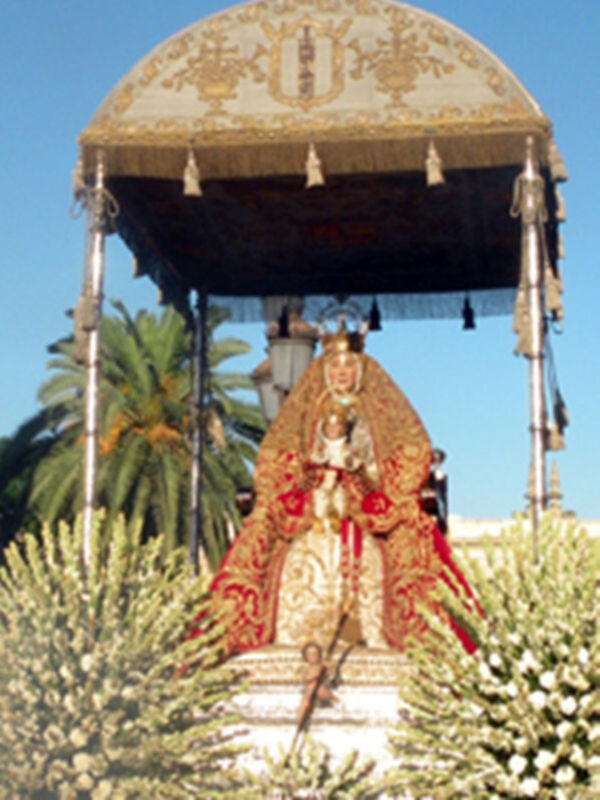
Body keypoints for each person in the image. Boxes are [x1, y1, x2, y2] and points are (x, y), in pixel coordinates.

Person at [196, 321, 475, 657]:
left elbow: (394, 458)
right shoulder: (307, 410)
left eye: (348, 365)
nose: (341, 372)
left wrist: (359, 474)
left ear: (360, 371)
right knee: (269, 533)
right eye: (335, 366)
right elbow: (288, 457)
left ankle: (383, 630)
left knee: (404, 540)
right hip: (316, 501)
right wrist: (313, 479)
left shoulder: (376, 412)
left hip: (365, 503)